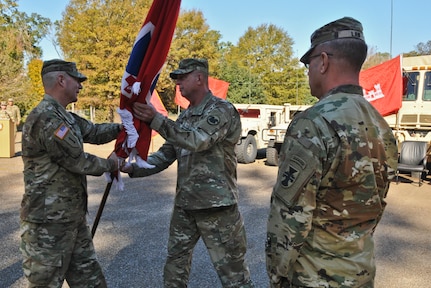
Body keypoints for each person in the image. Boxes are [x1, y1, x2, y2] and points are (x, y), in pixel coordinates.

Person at [265, 17, 398, 288]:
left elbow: (290, 217)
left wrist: (277, 275)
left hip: (314, 277)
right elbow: (375, 206)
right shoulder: (381, 125)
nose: (308, 71)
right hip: (360, 274)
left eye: (308, 63)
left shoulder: (313, 123)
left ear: (323, 61)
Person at [121, 58, 254, 288]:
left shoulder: (221, 110)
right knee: (175, 266)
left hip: (217, 207)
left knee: (233, 274)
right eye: (177, 79)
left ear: (200, 78)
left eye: (183, 77)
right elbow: (165, 155)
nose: (178, 83)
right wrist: (132, 167)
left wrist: (156, 120)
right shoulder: (184, 117)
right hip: (186, 206)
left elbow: (197, 140)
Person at [20, 59, 122, 288]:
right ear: (61, 80)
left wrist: (124, 129)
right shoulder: (45, 117)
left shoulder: (64, 116)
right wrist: (111, 164)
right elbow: (77, 161)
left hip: (72, 219)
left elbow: (94, 132)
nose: (81, 86)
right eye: (77, 80)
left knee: (91, 282)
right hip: (49, 224)